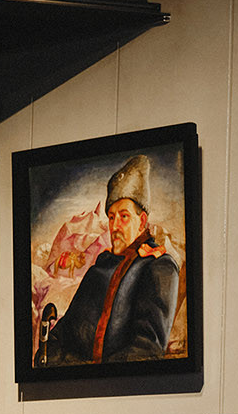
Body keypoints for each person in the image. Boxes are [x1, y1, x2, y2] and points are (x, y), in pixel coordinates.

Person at [40, 154, 179, 366]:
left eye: (124, 216)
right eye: (111, 217)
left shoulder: (159, 266)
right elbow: (61, 335)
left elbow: (146, 349)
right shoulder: (99, 268)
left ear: (142, 221)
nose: (114, 226)